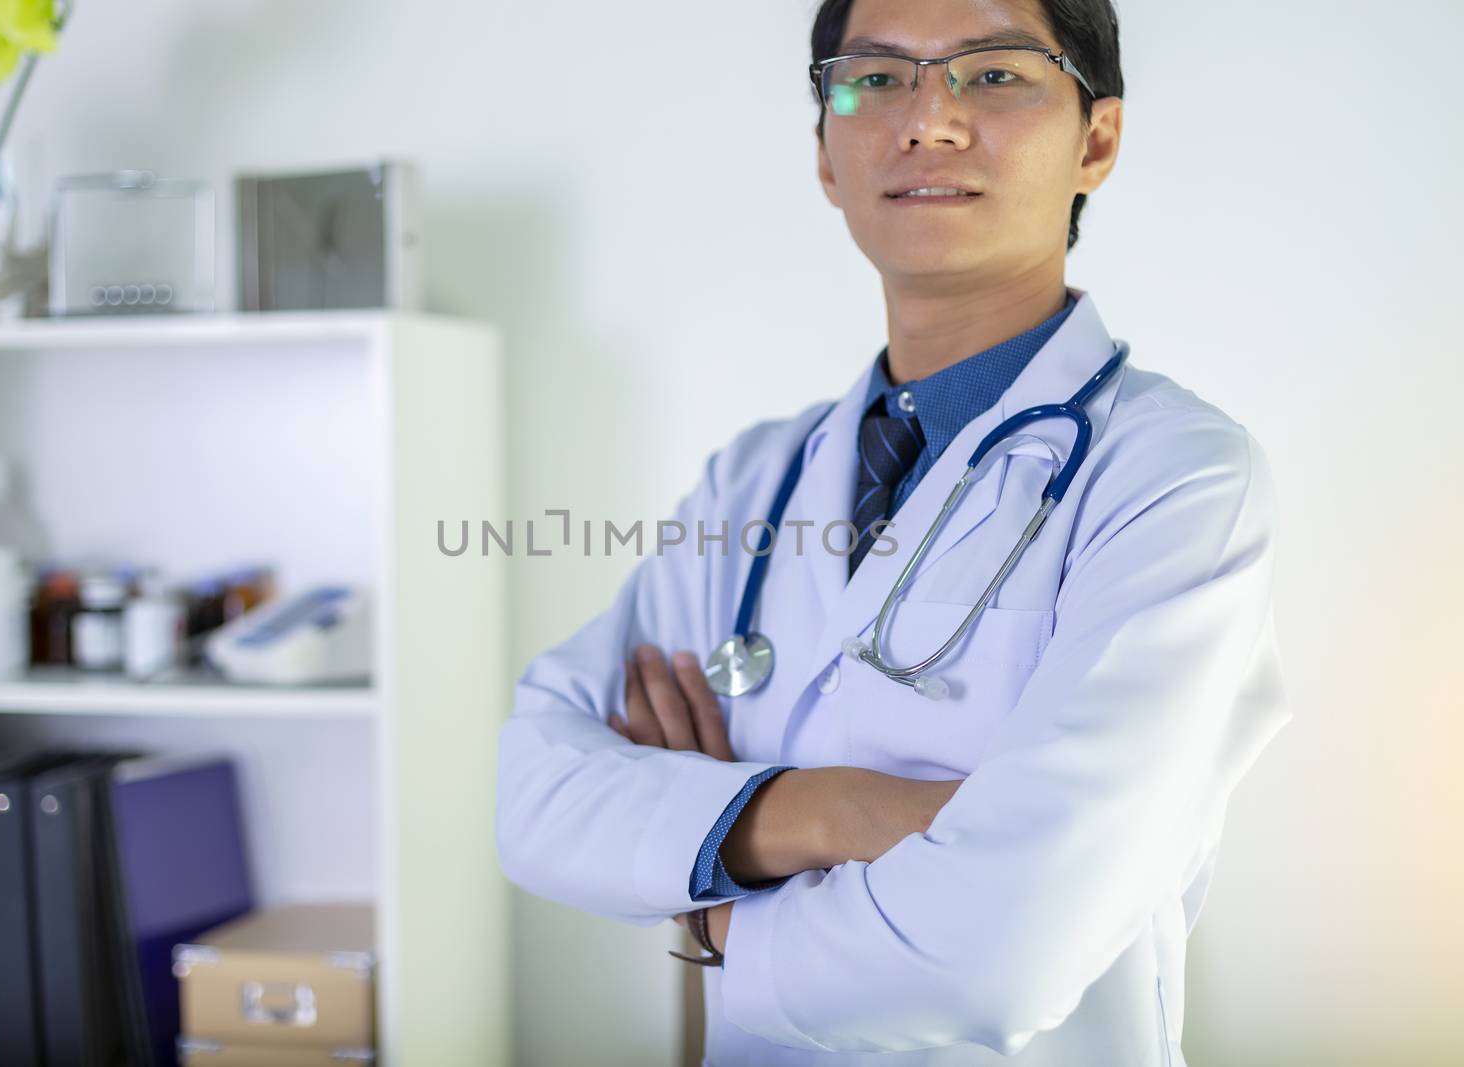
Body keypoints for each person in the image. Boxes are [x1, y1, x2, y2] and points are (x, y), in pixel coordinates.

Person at [495, 0, 1291, 1062]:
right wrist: (838, 809)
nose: (929, 118)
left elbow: (996, 948)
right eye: (874, 77)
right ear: (825, 154)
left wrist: (701, 890)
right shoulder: (754, 478)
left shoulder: (1173, 475)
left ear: (1095, 138)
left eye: (995, 73)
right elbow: (534, 793)